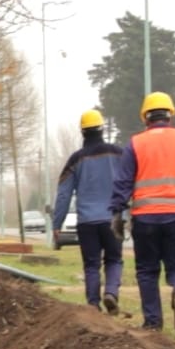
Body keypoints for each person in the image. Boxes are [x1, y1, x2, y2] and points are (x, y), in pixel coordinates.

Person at [109, 91, 175, 335]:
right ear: (170, 115)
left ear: (145, 117)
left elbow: (122, 183)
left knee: (147, 270)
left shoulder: (136, 143)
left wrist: (117, 214)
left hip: (145, 217)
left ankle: (153, 324)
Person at [52, 109, 124, 314]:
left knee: (91, 265)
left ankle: (93, 306)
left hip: (87, 222)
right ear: (102, 129)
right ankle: (111, 292)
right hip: (113, 218)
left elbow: (64, 194)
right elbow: (130, 182)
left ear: (82, 132)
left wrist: (57, 224)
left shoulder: (76, 160)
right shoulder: (118, 154)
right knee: (114, 259)